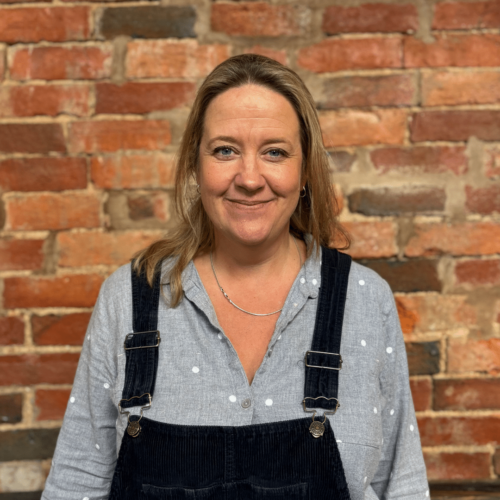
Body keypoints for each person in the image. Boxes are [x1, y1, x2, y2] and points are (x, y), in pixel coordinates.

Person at [42, 54, 429, 500]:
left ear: (305, 170)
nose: (249, 178)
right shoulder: (129, 301)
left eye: (275, 152)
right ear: (196, 164)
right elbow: (76, 485)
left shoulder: (365, 300)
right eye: (225, 150)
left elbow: (402, 487)